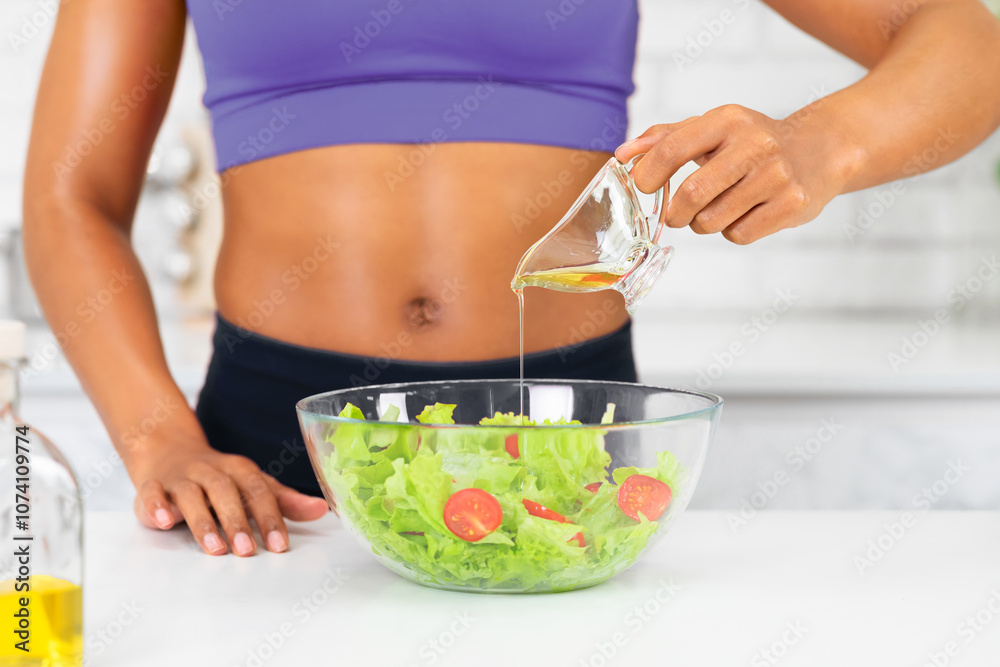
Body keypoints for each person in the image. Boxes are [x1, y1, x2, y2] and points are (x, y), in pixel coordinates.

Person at [22, 1, 1000, 557]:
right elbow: (73, 195)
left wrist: (826, 141)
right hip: (274, 457)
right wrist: (156, 438)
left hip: (566, 429)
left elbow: (966, 44)